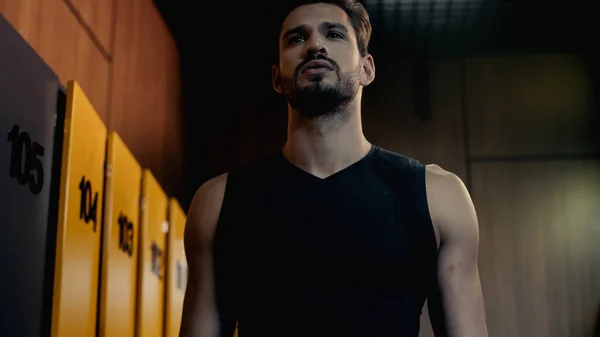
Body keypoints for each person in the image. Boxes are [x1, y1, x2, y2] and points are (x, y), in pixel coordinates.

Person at [179, 1, 489, 336]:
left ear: (367, 68)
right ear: (276, 78)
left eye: (334, 33)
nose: (314, 45)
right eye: (296, 39)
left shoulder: (439, 196)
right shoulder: (217, 203)